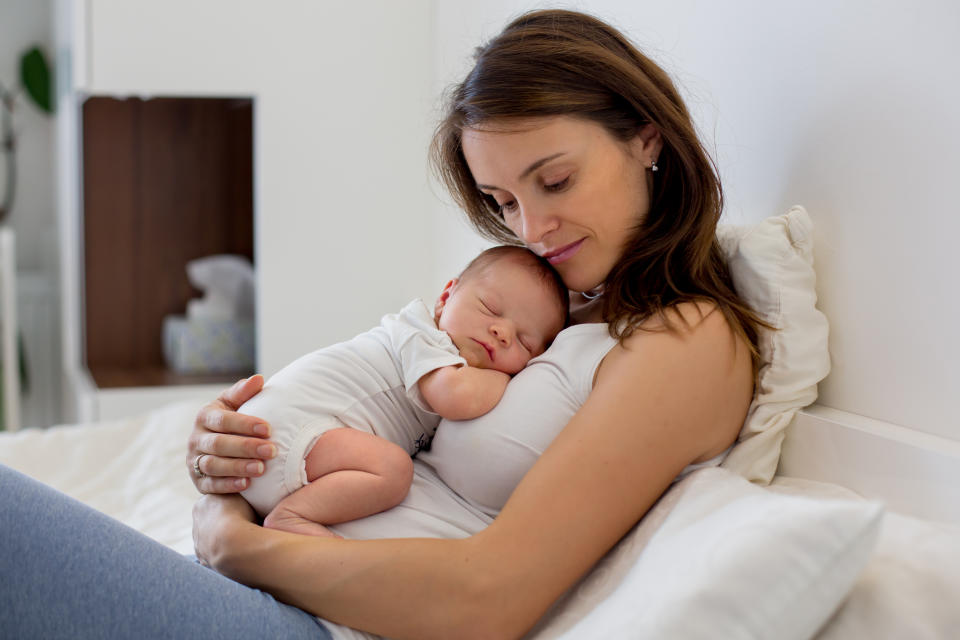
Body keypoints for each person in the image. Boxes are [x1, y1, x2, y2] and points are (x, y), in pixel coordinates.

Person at [0, 9, 765, 639]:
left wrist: (239, 545)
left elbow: (491, 595)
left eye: (555, 179)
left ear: (647, 136)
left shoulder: (688, 342)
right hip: (291, 585)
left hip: (325, 621)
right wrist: (228, 466)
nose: (530, 227)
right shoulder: (562, 302)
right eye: (502, 202)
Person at [237, 245, 568, 537]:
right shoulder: (421, 334)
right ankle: (292, 516)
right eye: (490, 309)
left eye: (525, 341)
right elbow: (455, 397)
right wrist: (505, 378)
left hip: (285, 448)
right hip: (284, 431)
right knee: (394, 471)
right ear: (444, 297)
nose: (502, 331)